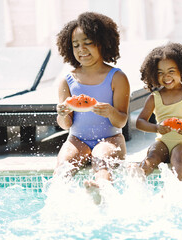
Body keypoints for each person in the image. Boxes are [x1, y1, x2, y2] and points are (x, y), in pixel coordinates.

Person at [54, 12, 130, 189]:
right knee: (63, 165)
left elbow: (122, 120)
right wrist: (62, 114)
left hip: (111, 139)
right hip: (77, 140)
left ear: (103, 43)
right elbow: (65, 125)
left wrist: (111, 112)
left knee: (101, 159)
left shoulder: (117, 78)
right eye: (76, 45)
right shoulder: (67, 80)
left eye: (88, 43)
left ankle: (100, 189)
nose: (82, 49)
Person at [135, 42, 182, 181]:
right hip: (163, 143)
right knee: (152, 155)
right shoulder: (154, 97)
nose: (166, 77)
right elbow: (139, 122)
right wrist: (156, 127)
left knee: (178, 154)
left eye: (171, 71)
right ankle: (138, 180)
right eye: (160, 73)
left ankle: (172, 189)